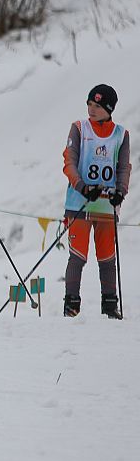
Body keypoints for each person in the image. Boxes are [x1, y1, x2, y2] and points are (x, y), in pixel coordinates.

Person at [62, 84, 131, 319]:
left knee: (107, 258)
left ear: (109, 109)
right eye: (90, 104)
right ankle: (71, 305)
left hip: (106, 207)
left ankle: (110, 306)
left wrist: (121, 191)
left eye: (98, 106)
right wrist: (82, 186)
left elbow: (123, 168)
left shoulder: (121, 134)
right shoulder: (79, 128)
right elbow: (69, 162)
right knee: (78, 256)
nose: (92, 109)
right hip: (79, 204)